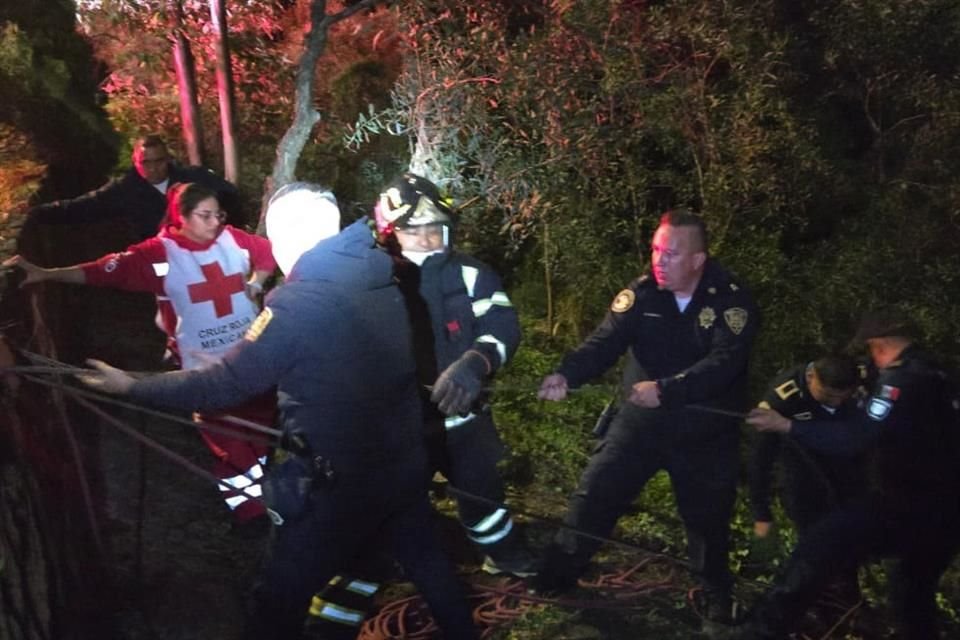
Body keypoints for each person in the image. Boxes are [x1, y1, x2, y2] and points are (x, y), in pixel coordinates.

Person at [80, 182, 479, 640]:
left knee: (278, 598)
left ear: (287, 239)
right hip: (402, 466)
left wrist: (133, 385)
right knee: (430, 567)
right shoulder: (378, 276)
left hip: (340, 488)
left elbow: (224, 383)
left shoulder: (297, 305)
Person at [535, 209, 759, 630]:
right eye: (656, 250)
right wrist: (567, 373)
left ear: (698, 260)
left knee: (708, 519)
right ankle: (556, 575)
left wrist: (669, 389)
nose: (659, 260)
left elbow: (725, 362)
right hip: (640, 424)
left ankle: (715, 592)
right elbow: (605, 342)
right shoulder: (641, 295)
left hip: (703, 433)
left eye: (671, 254)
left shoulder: (731, 299)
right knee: (595, 493)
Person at [4, 182, 275, 525]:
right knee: (230, 441)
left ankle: (269, 494)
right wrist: (47, 274)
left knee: (260, 432)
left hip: (251, 357)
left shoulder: (232, 238)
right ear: (181, 217)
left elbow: (266, 253)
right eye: (204, 215)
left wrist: (256, 282)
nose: (214, 223)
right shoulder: (158, 254)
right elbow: (103, 271)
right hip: (203, 368)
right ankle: (249, 514)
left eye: (218, 214)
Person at [734, 310, 960, 640]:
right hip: (946, 512)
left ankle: (756, 633)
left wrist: (787, 425)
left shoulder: (898, 381)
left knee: (818, 548)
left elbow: (856, 438)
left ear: (879, 346)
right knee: (912, 595)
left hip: (902, 502)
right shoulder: (940, 373)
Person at [375, 172, 535, 576]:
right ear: (391, 232)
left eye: (436, 228)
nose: (428, 239)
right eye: (415, 230)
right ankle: (383, 570)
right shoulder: (374, 281)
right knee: (391, 501)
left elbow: (502, 326)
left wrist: (477, 362)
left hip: (464, 416)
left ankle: (503, 553)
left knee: (482, 492)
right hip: (401, 425)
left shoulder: (472, 274)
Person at [26, 134, 243, 241]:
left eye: (158, 161)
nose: (153, 168)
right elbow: (84, 207)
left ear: (167, 158)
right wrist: (37, 214)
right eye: (145, 162)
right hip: (162, 261)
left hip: (207, 251)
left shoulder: (194, 178)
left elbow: (230, 196)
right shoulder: (124, 190)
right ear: (135, 161)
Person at [749, 354, 867, 542]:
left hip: (852, 474)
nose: (836, 403)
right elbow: (761, 455)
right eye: (827, 395)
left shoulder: (864, 377)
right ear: (811, 377)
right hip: (806, 476)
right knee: (815, 544)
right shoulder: (783, 399)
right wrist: (761, 511)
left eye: (842, 397)